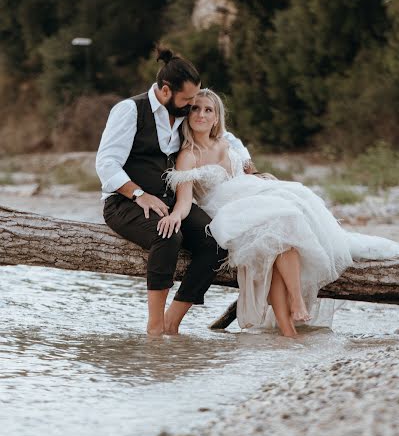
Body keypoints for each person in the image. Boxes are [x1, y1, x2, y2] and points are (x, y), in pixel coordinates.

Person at [159, 89, 399, 337]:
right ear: (187, 115)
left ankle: (290, 324)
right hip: (226, 210)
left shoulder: (228, 144)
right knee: (281, 223)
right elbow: (185, 200)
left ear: (217, 118)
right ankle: (293, 312)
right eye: (196, 109)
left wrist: (261, 176)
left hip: (251, 197)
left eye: (208, 110)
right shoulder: (188, 155)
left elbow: (247, 174)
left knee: (284, 229)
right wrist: (176, 215)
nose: (201, 114)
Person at [96, 49, 245, 335]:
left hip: (170, 201)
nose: (193, 106)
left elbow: (227, 137)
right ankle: (154, 326)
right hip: (123, 202)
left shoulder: (180, 115)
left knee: (213, 242)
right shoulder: (129, 110)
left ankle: (172, 322)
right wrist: (139, 194)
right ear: (166, 90)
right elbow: (106, 163)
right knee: (168, 235)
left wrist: (247, 162)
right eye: (188, 100)